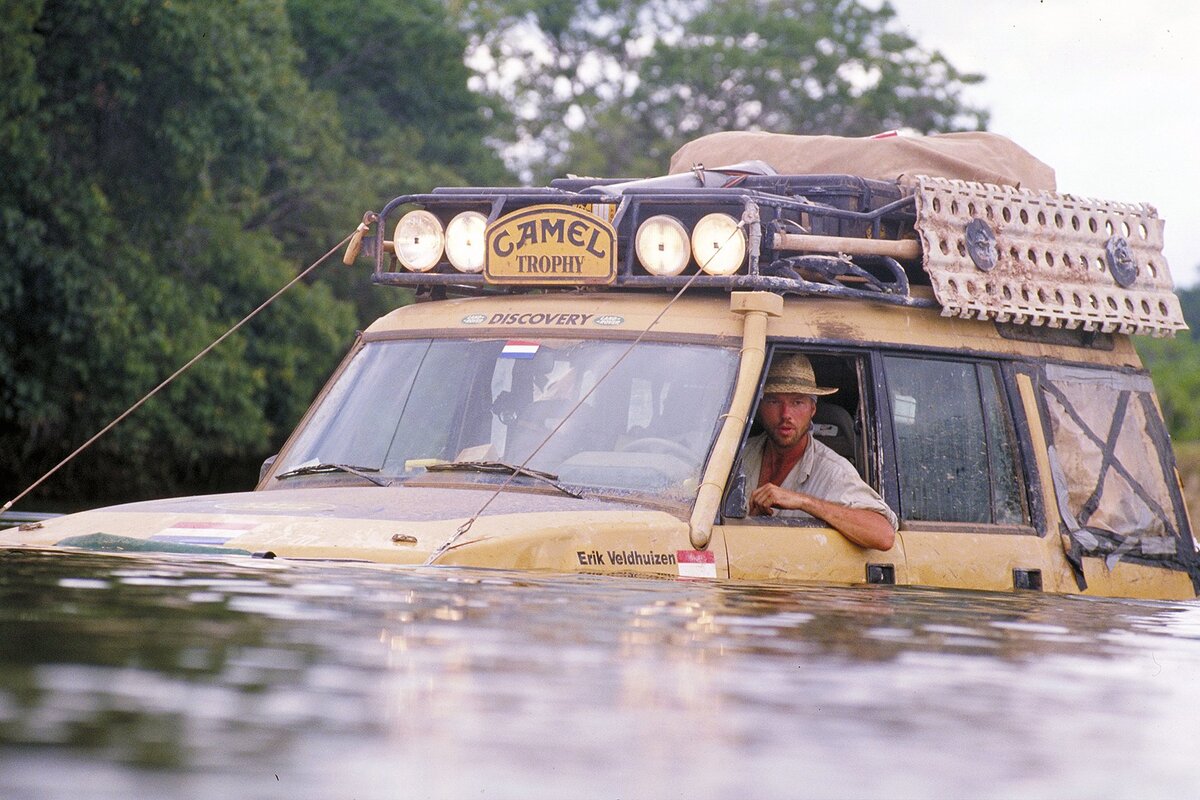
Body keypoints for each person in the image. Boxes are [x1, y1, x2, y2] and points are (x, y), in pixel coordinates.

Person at [742, 354, 897, 551]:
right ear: (760, 407)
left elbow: (883, 535)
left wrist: (803, 502)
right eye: (774, 401)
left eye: (797, 402)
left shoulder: (833, 471)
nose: (785, 415)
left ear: (812, 409)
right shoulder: (738, 456)